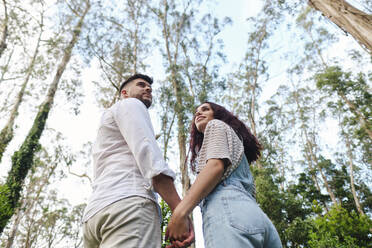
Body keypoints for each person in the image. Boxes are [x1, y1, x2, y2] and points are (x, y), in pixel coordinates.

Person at [82, 74, 194, 248]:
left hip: (94, 216)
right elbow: (151, 159)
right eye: (141, 85)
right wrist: (180, 212)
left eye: (149, 87)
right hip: (128, 205)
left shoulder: (108, 123)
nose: (148, 88)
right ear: (124, 93)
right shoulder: (130, 104)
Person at [166, 102, 282, 248]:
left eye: (205, 109)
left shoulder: (215, 125)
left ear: (218, 114)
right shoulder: (234, 143)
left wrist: (180, 213)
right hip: (258, 218)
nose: (198, 113)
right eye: (196, 112)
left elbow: (215, 166)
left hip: (227, 210)